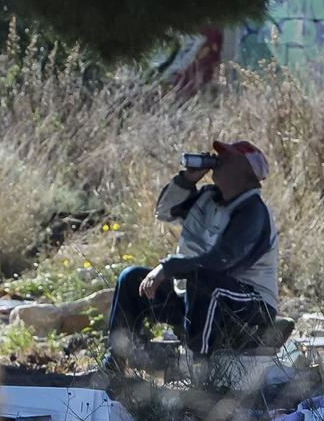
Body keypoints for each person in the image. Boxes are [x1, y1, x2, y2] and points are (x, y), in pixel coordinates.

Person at [104, 139, 279, 368]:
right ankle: (115, 362)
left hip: (250, 307)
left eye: (228, 157)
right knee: (131, 278)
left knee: (204, 279)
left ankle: (201, 369)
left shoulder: (252, 212)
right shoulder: (208, 197)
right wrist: (186, 181)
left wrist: (168, 267)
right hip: (197, 298)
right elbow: (165, 212)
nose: (219, 160)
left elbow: (221, 262)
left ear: (244, 171)